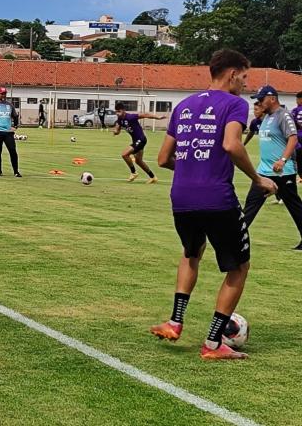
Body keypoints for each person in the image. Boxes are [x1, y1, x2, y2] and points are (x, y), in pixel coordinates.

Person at [151, 49, 276, 360]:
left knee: (191, 253)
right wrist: (258, 179)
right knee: (239, 267)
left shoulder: (183, 105)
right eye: (245, 77)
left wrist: (193, 169)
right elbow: (231, 145)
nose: (247, 85)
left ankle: (175, 322)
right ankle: (212, 343)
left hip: (181, 197)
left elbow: (163, 159)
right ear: (232, 74)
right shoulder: (234, 104)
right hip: (217, 198)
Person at [242, 85, 302, 250]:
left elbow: (293, 139)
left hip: (282, 172)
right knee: (250, 206)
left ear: (272, 98)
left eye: (262, 99)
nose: (259, 102)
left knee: (295, 207)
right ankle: (236, 238)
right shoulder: (266, 117)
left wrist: (282, 160)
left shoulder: (284, 115)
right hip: (263, 172)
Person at [113, 103, 165, 183]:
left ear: (123, 111)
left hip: (141, 140)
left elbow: (145, 115)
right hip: (136, 141)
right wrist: (116, 131)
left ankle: (133, 172)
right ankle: (153, 177)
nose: (117, 113)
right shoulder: (120, 120)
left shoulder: (130, 117)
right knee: (138, 161)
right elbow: (118, 130)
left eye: (119, 111)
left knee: (124, 154)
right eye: (116, 112)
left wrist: (158, 117)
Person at [292, 91, 302, 183]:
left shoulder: (295, 110)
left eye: (297, 99)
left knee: (297, 158)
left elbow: (292, 122)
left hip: (298, 136)